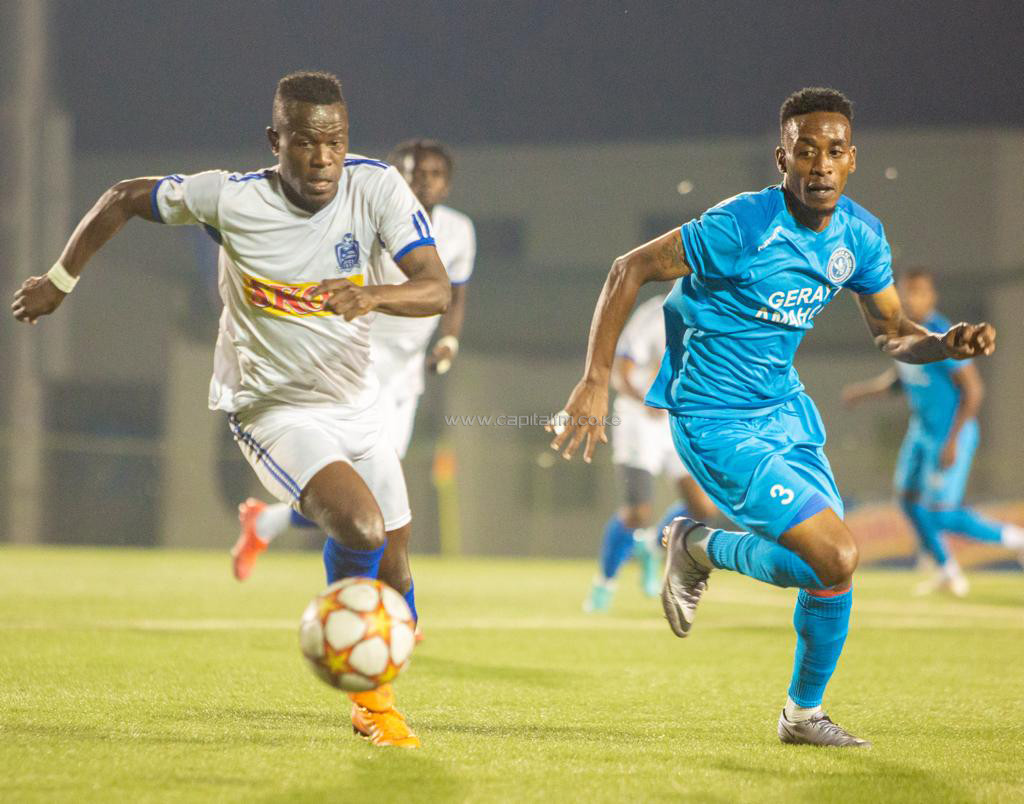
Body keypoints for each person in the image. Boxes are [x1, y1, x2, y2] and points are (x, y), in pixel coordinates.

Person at [11, 71, 449, 749]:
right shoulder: (230, 198)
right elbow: (122, 198)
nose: (323, 158)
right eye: (305, 142)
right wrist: (59, 281)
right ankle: (370, 703)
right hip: (272, 408)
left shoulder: (376, 186)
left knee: (398, 573)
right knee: (361, 527)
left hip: (358, 405)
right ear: (275, 140)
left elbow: (436, 288)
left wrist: (373, 295)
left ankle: (371, 661)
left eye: (335, 141)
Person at [547, 87, 996, 748]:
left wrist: (942, 345)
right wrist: (593, 379)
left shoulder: (860, 237)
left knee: (828, 569)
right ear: (782, 158)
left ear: (852, 160)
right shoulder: (743, 225)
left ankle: (798, 710)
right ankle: (697, 551)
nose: (821, 164)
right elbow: (629, 268)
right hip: (713, 416)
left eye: (834, 151)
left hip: (786, 412)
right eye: (805, 151)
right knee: (837, 553)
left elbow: (892, 331)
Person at [232, 139, 476, 586]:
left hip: (407, 372)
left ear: (448, 184)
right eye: (412, 173)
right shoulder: (374, 215)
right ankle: (357, 597)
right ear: (395, 178)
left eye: (433, 174)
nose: (422, 182)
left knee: (378, 492)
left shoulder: (460, 230)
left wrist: (450, 341)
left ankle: (266, 524)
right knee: (366, 491)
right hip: (362, 358)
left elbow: (454, 292)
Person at [842, 268, 1023, 596]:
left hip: (949, 433)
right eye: (907, 291)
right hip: (920, 432)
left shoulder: (942, 333)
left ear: (932, 296)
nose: (912, 298)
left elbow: (973, 389)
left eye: (920, 292)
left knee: (941, 514)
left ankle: (1016, 539)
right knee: (908, 503)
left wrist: (953, 440)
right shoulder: (903, 332)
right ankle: (947, 571)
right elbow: (902, 379)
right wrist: (863, 393)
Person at [585, 292, 718, 612]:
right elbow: (621, 371)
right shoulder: (656, 314)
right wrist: (646, 399)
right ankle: (604, 583)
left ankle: (653, 545)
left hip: (676, 419)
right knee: (637, 512)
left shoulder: (713, 314)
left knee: (703, 506)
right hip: (640, 418)